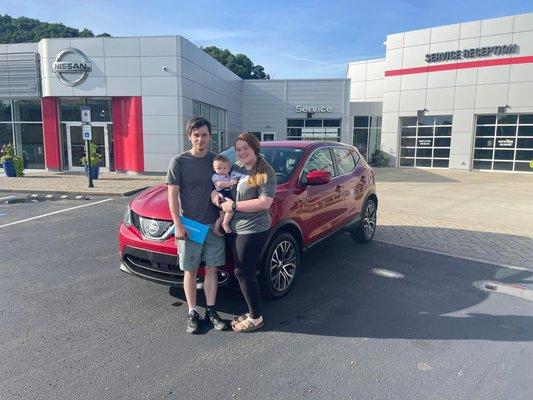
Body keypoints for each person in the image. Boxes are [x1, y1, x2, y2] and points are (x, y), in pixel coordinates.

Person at [166, 117, 229, 334]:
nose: (200, 139)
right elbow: (172, 195)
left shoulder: (216, 161)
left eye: (204, 135)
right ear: (189, 136)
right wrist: (178, 224)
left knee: (212, 269)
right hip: (190, 226)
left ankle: (211, 311)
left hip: (213, 227)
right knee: (190, 271)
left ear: (210, 137)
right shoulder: (179, 162)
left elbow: (229, 185)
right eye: (196, 135)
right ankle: (193, 311)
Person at [218, 133, 276, 333]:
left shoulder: (266, 172)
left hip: (254, 228)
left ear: (255, 148)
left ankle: (256, 317)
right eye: (238, 149)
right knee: (240, 270)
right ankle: (252, 312)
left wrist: (233, 206)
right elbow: (223, 186)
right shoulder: (237, 168)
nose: (241, 152)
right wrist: (218, 200)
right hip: (235, 227)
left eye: (245, 148)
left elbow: (265, 202)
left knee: (243, 271)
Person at [211, 154, 242, 236]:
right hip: (222, 195)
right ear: (214, 169)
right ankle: (225, 223)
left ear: (228, 169)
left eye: (224, 168)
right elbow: (220, 184)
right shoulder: (215, 176)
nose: (222, 170)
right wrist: (231, 183)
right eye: (219, 168)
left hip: (226, 194)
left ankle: (216, 229)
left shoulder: (227, 175)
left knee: (222, 216)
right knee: (231, 207)